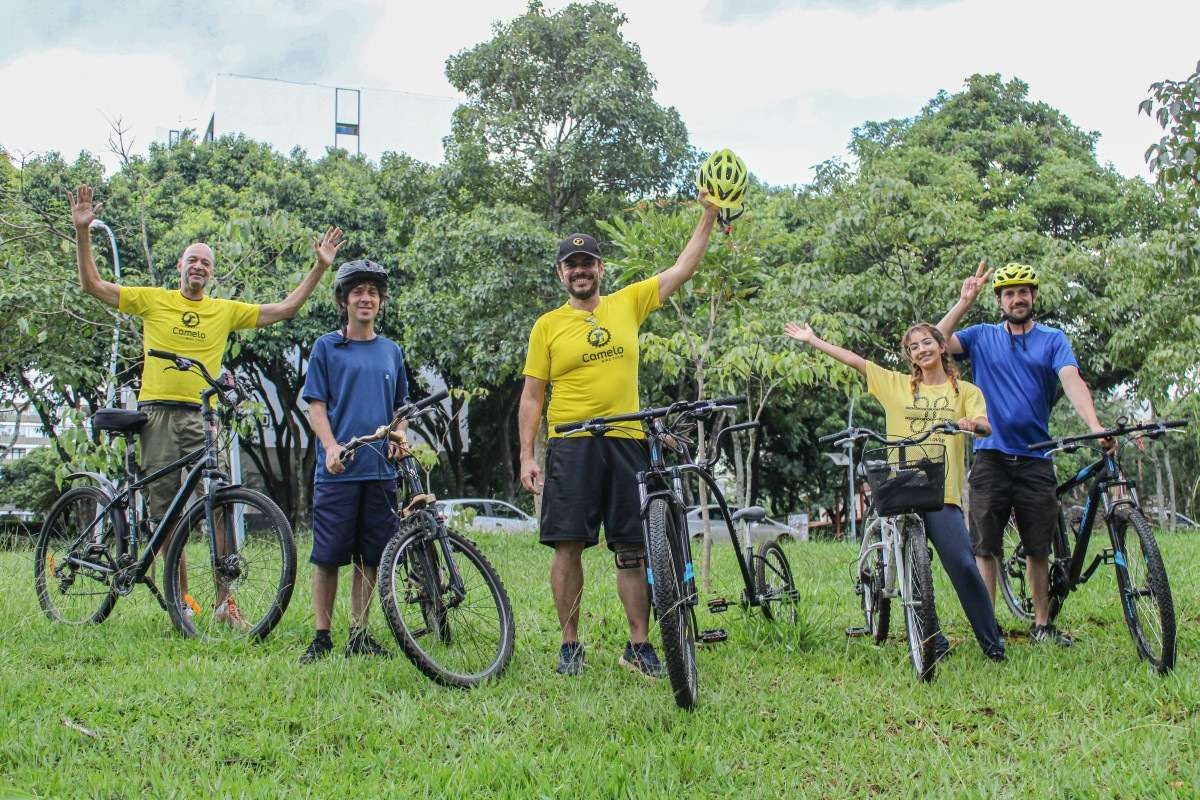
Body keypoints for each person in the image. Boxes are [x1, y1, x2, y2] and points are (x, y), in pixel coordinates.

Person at [69, 183, 344, 630]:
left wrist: (318, 267)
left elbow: (286, 309)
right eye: (192, 259)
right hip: (156, 413)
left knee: (218, 501)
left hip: (200, 414)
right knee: (167, 515)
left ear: (211, 273)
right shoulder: (153, 299)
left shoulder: (224, 310)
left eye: (206, 262)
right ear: (180, 266)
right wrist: (83, 231)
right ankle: (181, 601)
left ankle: (225, 600)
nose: (198, 266)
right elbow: (92, 285)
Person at [518, 194, 719, 678]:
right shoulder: (547, 326)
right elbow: (531, 396)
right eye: (572, 265)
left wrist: (709, 214)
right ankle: (570, 644)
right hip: (571, 442)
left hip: (628, 439)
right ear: (561, 274)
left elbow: (682, 268)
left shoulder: (629, 302)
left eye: (587, 263)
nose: (580, 271)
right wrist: (528, 454)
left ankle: (639, 643)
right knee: (568, 545)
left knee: (632, 546)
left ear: (601, 269)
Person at [784, 320, 1006, 662]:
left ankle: (993, 646)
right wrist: (813, 340)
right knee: (910, 567)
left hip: (941, 492)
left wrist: (970, 425)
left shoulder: (966, 391)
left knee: (962, 564)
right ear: (910, 356)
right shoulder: (897, 385)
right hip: (901, 486)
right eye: (914, 347)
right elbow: (856, 361)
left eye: (927, 342)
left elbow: (985, 425)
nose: (922, 349)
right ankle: (934, 640)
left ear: (942, 346)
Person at [937, 261, 1109, 647]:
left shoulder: (1053, 339)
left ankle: (1042, 625)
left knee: (1037, 547)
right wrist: (964, 302)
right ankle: (988, 629)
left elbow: (1071, 380)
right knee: (985, 548)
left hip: (1036, 456)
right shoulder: (981, 336)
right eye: (1010, 293)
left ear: (1033, 297)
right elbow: (935, 342)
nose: (1018, 298)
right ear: (999, 300)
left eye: (1024, 292)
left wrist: (1096, 424)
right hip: (990, 455)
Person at [299, 260, 409, 662]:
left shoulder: (390, 351)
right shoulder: (326, 347)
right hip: (338, 472)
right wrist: (329, 446)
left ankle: (359, 634)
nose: (366, 298)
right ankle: (322, 636)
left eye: (373, 293)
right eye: (358, 292)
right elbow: (316, 406)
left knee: (370, 556)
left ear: (380, 303)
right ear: (343, 300)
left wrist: (401, 434)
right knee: (327, 557)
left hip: (380, 472)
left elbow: (401, 407)